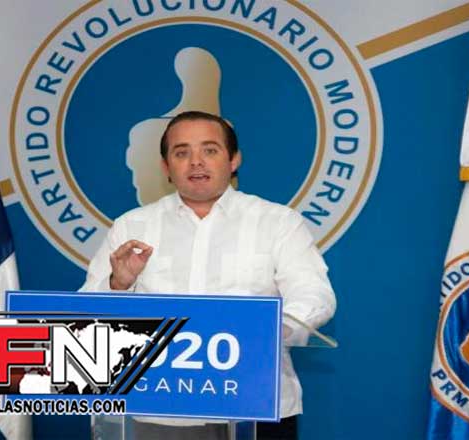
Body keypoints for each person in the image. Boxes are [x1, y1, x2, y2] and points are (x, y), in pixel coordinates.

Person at [81, 110, 336, 440]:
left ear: (234, 159)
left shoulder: (278, 222)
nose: (196, 162)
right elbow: (84, 319)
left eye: (210, 150)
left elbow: (314, 296)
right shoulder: (132, 226)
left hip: (253, 405)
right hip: (154, 411)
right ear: (166, 167)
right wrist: (118, 285)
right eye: (181, 152)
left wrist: (268, 329)